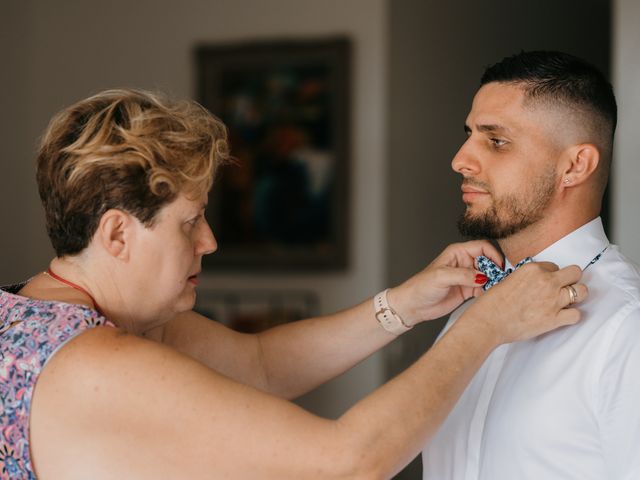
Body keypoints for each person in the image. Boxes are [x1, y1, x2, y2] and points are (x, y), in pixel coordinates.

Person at [0, 89, 584, 480]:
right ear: (118, 235)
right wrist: (484, 327)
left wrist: (403, 305)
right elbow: (345, 463)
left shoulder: (58, 316)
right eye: (189, 223)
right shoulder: (94, 365)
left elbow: (261, 364)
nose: (209, 242)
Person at [421, 51, 640, 479]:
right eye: (468, 134)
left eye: (496, 141)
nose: (460, 160)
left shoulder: (626, 327)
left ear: (575, 166)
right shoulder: (466, 306)